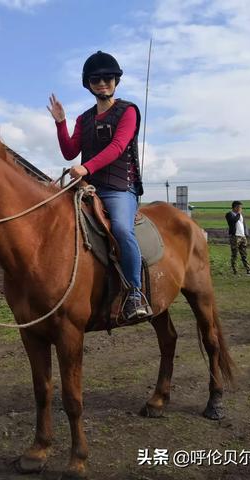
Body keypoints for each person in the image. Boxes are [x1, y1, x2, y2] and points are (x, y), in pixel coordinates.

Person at [48, 51, 149, 321]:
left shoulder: (128, 111)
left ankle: (135, 294)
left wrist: (87, 167)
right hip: (87, 187)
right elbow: (70, 151)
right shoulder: (84, 119)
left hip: (119, 188)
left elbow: (117, 147)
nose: (102, 82)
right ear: (88, 83)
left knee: (121, 229)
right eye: (96, 79)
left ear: (116, 80)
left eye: (107, 78)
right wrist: (61, 123)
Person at [225, 201, 250, 276]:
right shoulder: (229, 214)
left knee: (244, 254)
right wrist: (239, 214)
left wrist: (246, 234)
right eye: (240, 207)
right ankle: (235, 271)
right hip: (235, 236)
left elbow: (244, 224)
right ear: (235, 207)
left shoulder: (240, 215)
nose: (241, 209)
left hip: (242, 236)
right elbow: (232, 222)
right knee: (235, 254)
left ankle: (249, 270)